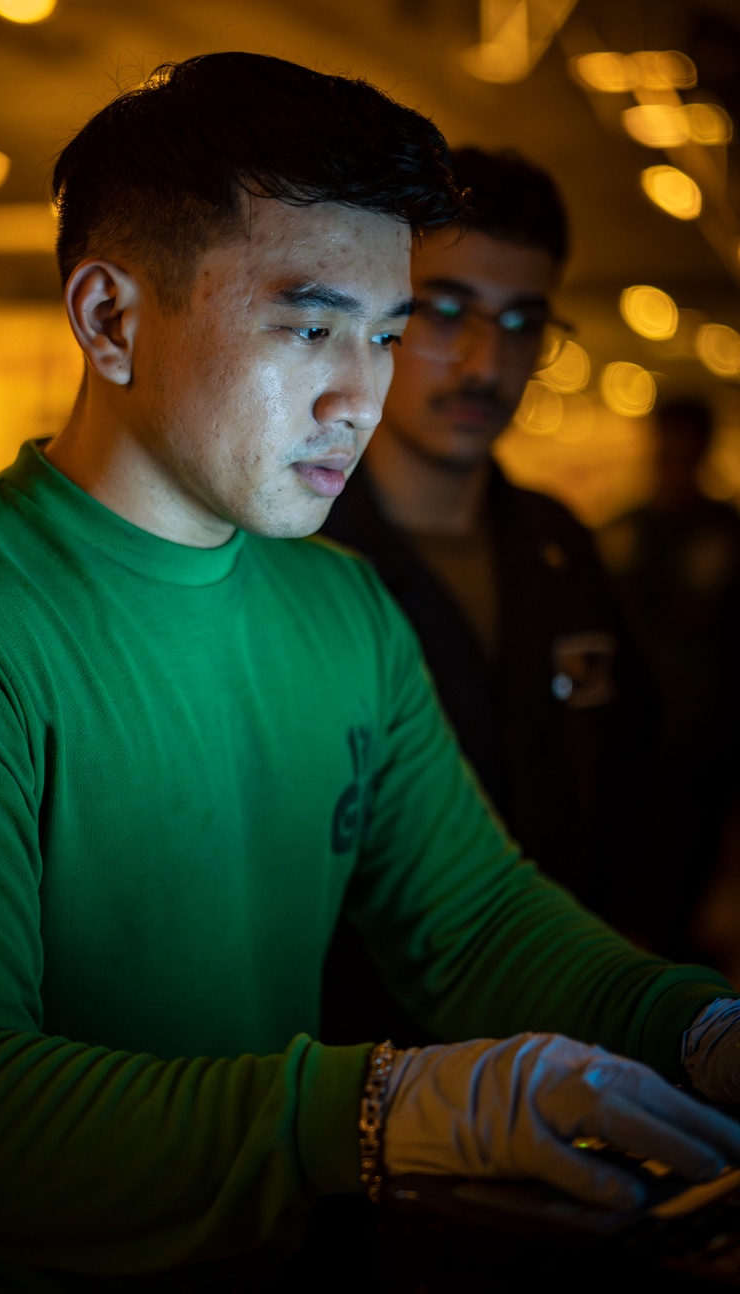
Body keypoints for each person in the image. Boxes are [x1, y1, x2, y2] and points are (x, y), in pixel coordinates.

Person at [0, 54, 740, 1294]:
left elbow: (471, 916)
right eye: (308, 324)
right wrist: (369, 1111)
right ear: (112, 320)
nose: (361, 393)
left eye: (385, 334)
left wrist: (693, 1026)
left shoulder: (340, 608)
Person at [319, 149, 658, 1047]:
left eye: (521, 324)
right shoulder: (297, 552)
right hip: (357, 1068)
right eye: (446, 312)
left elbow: (636, 777)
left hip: (567, 1039)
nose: (486, 363)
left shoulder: (560, 546)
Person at [601, 397, 740, 958]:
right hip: (632, 751)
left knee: (689, 893)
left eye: (687, 452)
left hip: (705, 753)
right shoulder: (622, 532)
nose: (675, 465)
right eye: (668, 451)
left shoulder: (726, 536)